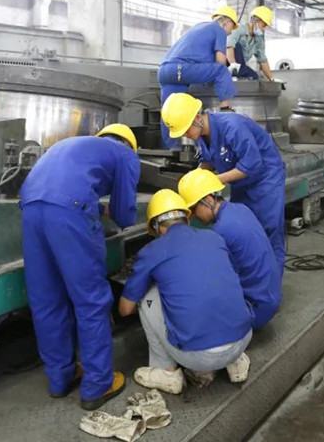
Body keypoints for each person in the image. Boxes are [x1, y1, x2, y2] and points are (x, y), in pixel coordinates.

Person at [19, 124, 140, 410]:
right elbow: (124, 214)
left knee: (47, 300)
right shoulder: (125, 154)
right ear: (128, 144)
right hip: (69, 213)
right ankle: (98, 385)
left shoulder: (72, 146)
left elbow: (61, 190)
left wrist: (95, 208)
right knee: (91, 300)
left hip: (30, 208)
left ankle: (60, 378)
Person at [119, 190, 253, 394]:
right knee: (216, 281)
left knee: (147, 296)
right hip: (243, 339)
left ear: (155, 227)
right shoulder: (214, 237)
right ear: (187, 219)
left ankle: (167, 372)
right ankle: (235, 363)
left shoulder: (152, 251)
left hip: (199, 357)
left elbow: (125, 309)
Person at [161, 92, 287, 273]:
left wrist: (212, 180)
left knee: (269, 229)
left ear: (197, 118)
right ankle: (250, 274)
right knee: (242, 228)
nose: (187, 135)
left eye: (186, 130)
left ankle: (272, 279)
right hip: (240, 181)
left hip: (265, 179)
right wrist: (192, 181)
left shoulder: (232, 127)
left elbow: (251, 164)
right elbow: (209, 160)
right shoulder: (201, 135)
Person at [177, 168, 281, 329]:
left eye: (194, 209)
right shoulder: (241, 209)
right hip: (270, 298)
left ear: (208, 200)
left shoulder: (221, 232)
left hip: (254, 310)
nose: (195, 216)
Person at [157, 6, 239, 148]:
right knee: (221, 70)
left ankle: (170, 150)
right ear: (226, 22)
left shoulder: (200, 28)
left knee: (170, 113)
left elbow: (199, 59)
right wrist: (227, 74)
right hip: (182, 69)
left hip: (165, 71)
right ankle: (225, 109)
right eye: (232, 27)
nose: (231, 32)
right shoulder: (218, 29)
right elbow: (220, 61)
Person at [226, 6, 275, 82]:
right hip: (227, 63)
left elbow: (263, 61)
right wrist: (233, 66)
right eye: (263, 26)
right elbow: (229, 47)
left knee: (254, 77)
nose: (264, 30)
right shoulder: (238, 29)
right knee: (237, 46)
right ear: (255, 22)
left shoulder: (259, 40)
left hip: (241, 67)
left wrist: (272, 79)